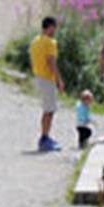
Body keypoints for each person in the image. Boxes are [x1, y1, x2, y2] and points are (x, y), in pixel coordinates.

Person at [30, 16, 64, 152]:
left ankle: (45, 136)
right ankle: (44, 138)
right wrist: (59, 80)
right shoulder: (50, 43)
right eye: (54, 27)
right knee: (50, 110)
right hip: (47, 78)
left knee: (47, 109)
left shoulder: (35, 41)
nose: (55, 30)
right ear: (50, 27)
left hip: (38, 76)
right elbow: (51, 62)